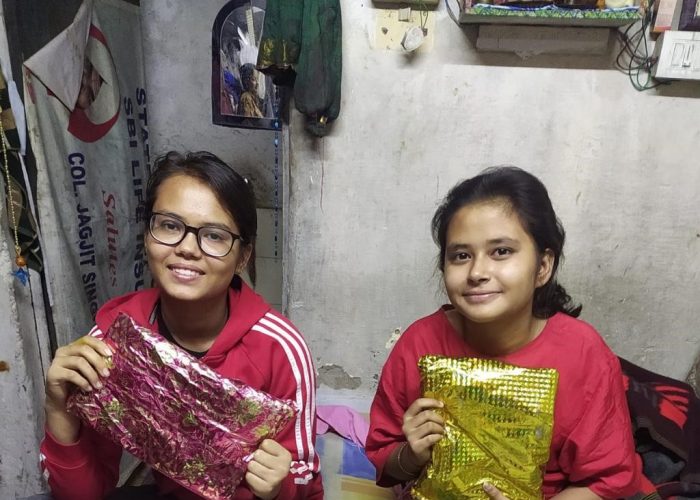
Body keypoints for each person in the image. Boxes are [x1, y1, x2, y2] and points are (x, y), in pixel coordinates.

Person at [40, 151, 322, 499]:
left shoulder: (280, 348)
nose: (187, 248)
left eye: (215, 235)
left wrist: (281, 486)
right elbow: (84, 494)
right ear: (147, 235)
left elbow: (308, 483)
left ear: (243, 256)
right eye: (170, 226)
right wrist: (58, 408)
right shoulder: (115, 343)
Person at [365, 166, 640, 499]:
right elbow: (384, 459)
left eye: (501, 252)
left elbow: (606, 480)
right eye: (461, 255)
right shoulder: (420, 344)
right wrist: (411, 456)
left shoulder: (582, 353)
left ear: (542, 266)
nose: (478, 272)